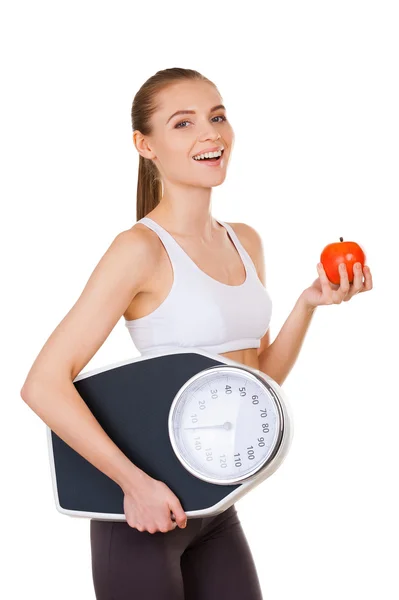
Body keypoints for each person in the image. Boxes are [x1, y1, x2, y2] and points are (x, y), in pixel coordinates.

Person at [20, 67, 373, 600]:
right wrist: (133, 486)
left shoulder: (245, 241)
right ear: (146, 146)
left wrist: (308, 304)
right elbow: (43, 384)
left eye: (217, 117)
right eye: (183, 123)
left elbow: (255, 384)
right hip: (141, 515)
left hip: (214, 506)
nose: (210, 133)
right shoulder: (139, 250)